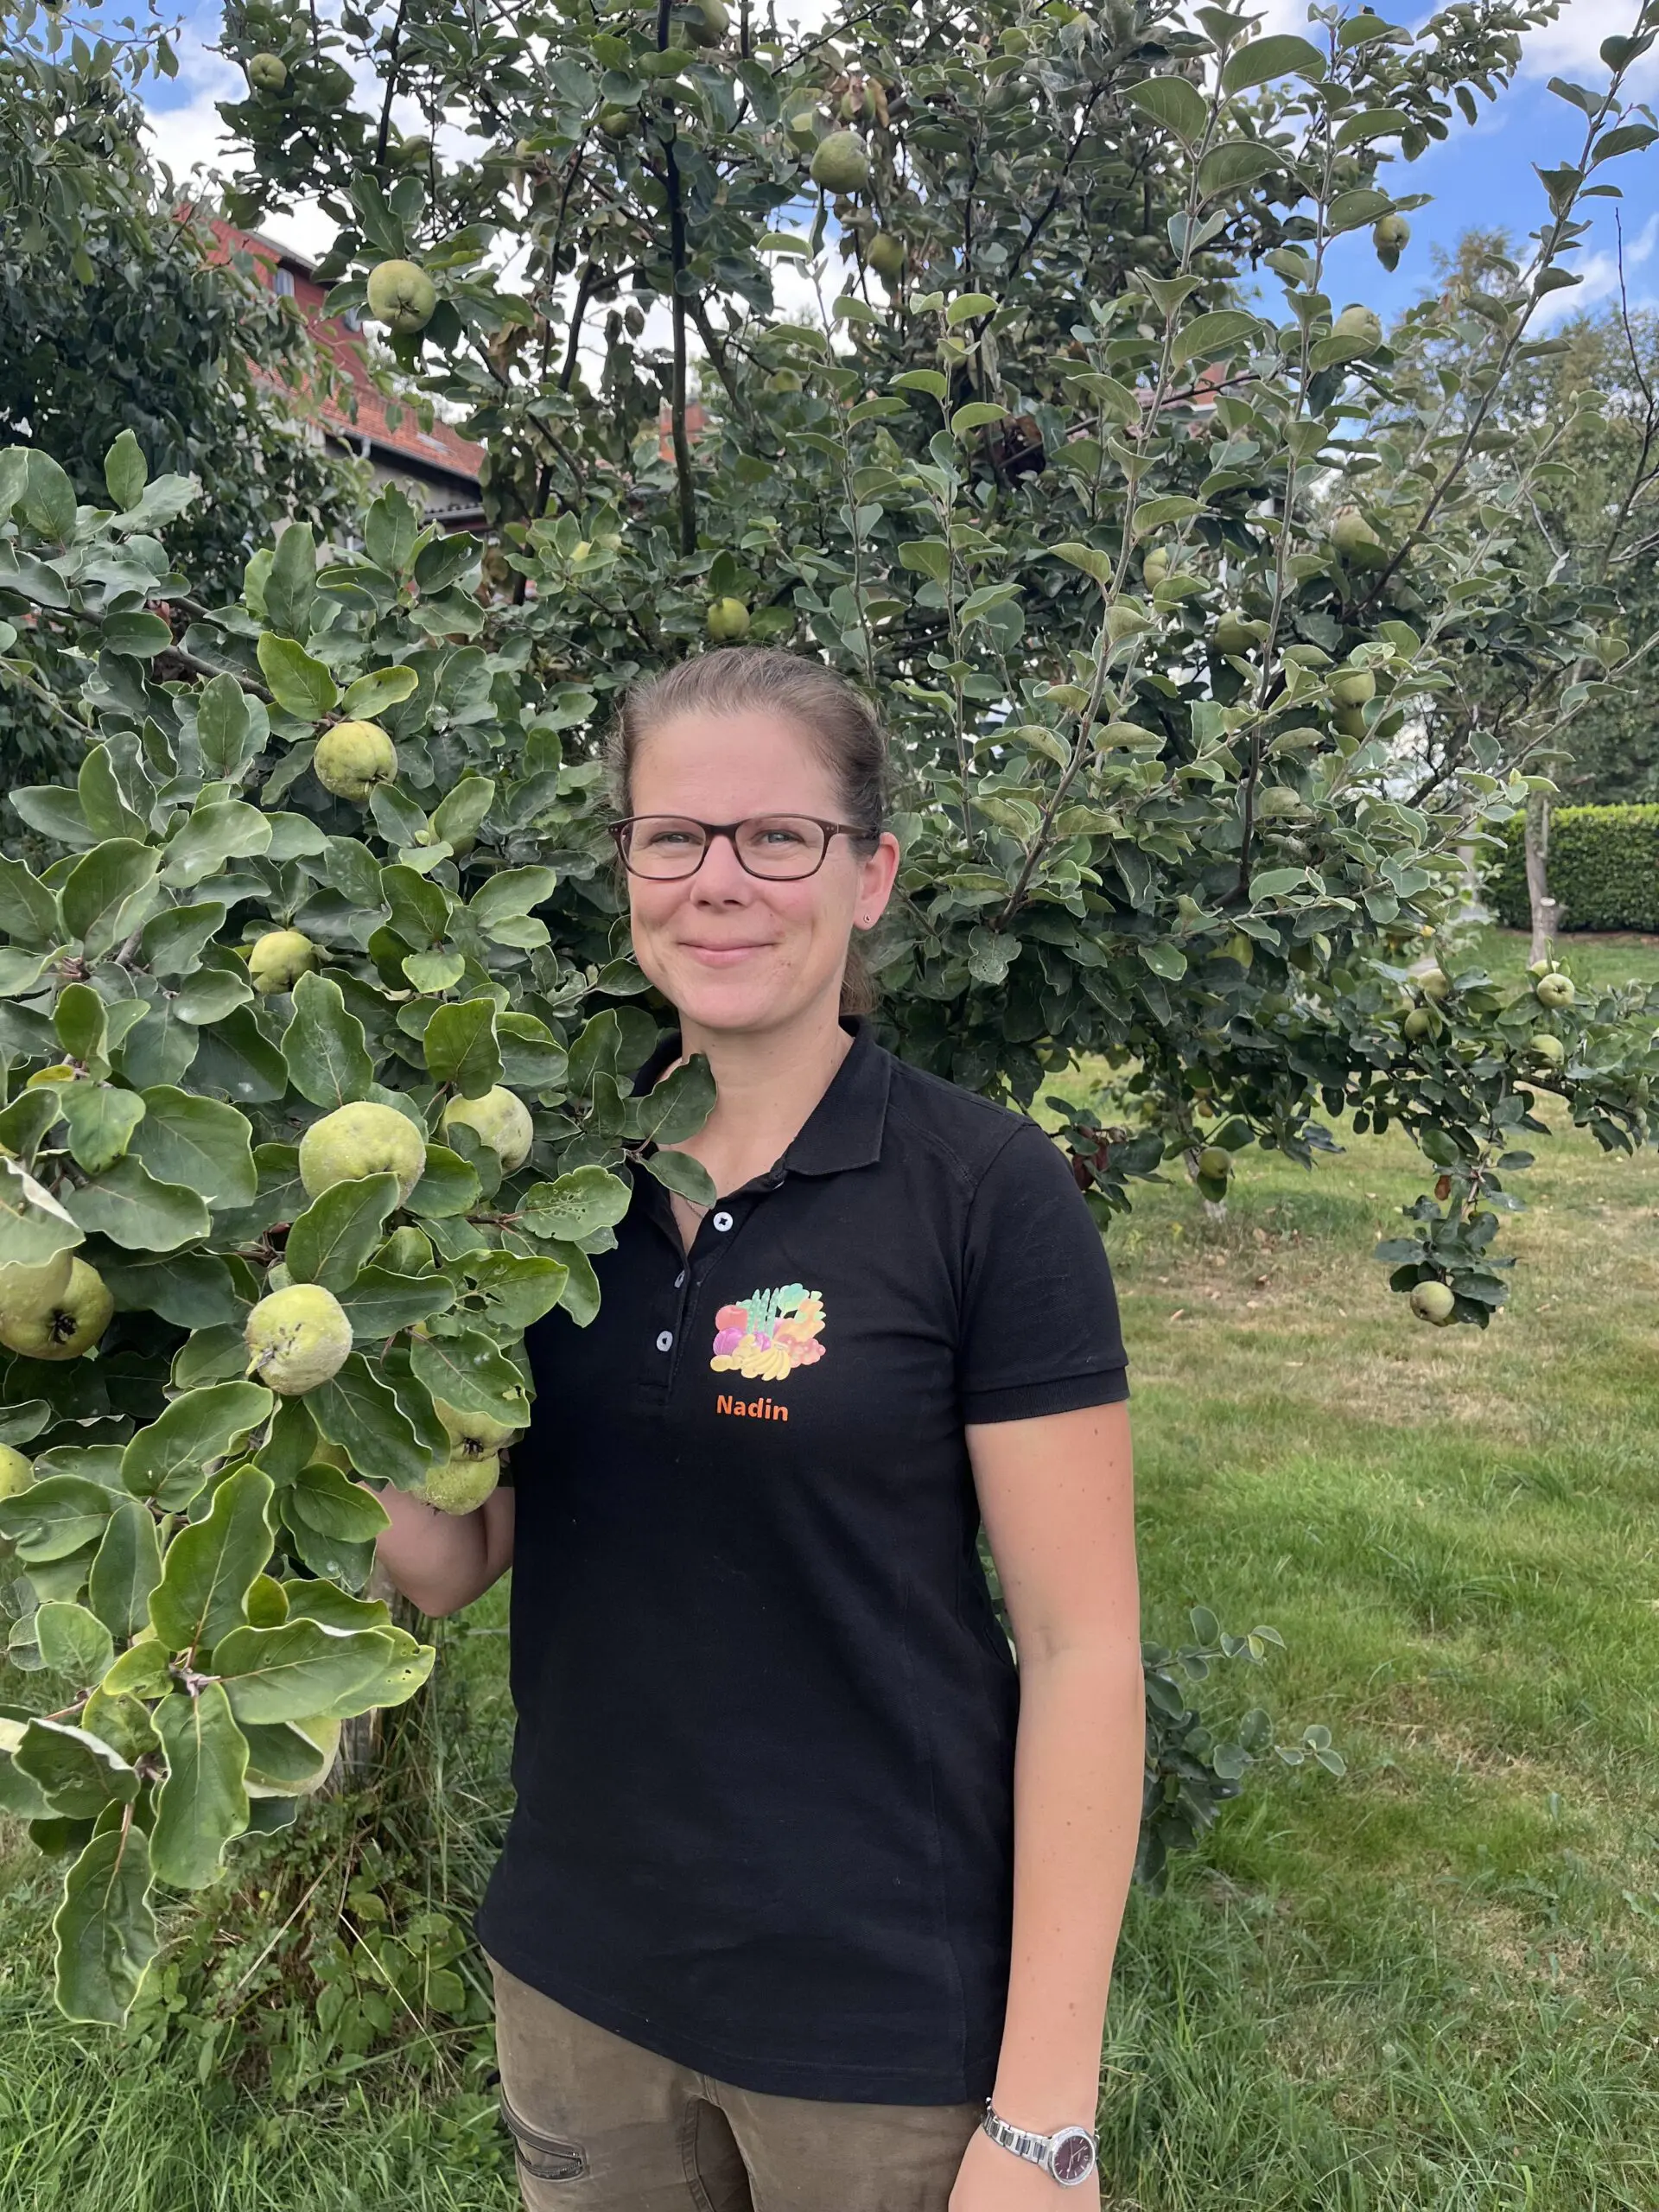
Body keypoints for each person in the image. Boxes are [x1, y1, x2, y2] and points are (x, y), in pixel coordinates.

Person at [372, 647, 1143, 2212]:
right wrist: (318, 1329)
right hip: (579, 1979)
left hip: (875, 2021)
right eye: (674, 838)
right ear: (628, 872)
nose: (719, 881)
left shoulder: (983, 1194)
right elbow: (451, 1565)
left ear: (869, 877)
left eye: (777, 838)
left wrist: (1044, 2114)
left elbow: (1083, 1651)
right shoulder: (544, 1193)